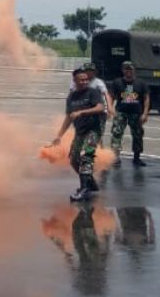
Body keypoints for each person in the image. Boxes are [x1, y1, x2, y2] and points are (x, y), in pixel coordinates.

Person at [48, 68, 107, 202]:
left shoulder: (93, 92)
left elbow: (100, 108)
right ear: (75, 81)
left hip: (94, 130)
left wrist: (81, 112)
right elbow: (69, 117)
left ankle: (84, 189)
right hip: (80, 131)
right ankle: (90, 183)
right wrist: (59, 136)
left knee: (87, 155)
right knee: (74, 159)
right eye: (81, 80)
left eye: (86, 79)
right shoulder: (72, 97)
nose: (85, 82)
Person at [108, 61, 150, 168]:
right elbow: (111, 96)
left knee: (137, 135)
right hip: (121, 112)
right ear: (122, 70)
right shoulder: (117, 82)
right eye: (126, 69)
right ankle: (116, 157)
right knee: (117, 134)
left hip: (136, 113)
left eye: (130, 69)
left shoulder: (141, 83)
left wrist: (145, 113)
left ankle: (137, 158)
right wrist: (110, 108)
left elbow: (146, 98)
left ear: (134, 70)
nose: (128, 71)